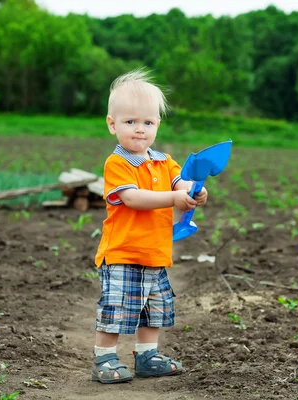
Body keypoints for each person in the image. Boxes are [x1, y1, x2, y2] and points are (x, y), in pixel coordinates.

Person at [91, 68, 208, 384]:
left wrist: (194, 191)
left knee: (153, 310)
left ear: (157, 124)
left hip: (155, 253)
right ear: (112, 124)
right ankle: (105, 359)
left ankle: (146, 355)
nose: (139, 130)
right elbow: (132, 198)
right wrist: (173, 198)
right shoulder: (118, 164)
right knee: (117, 310)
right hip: (123, 253)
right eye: (130, 122)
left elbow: (181, 182)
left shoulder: (164, 161)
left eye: (147, 122)